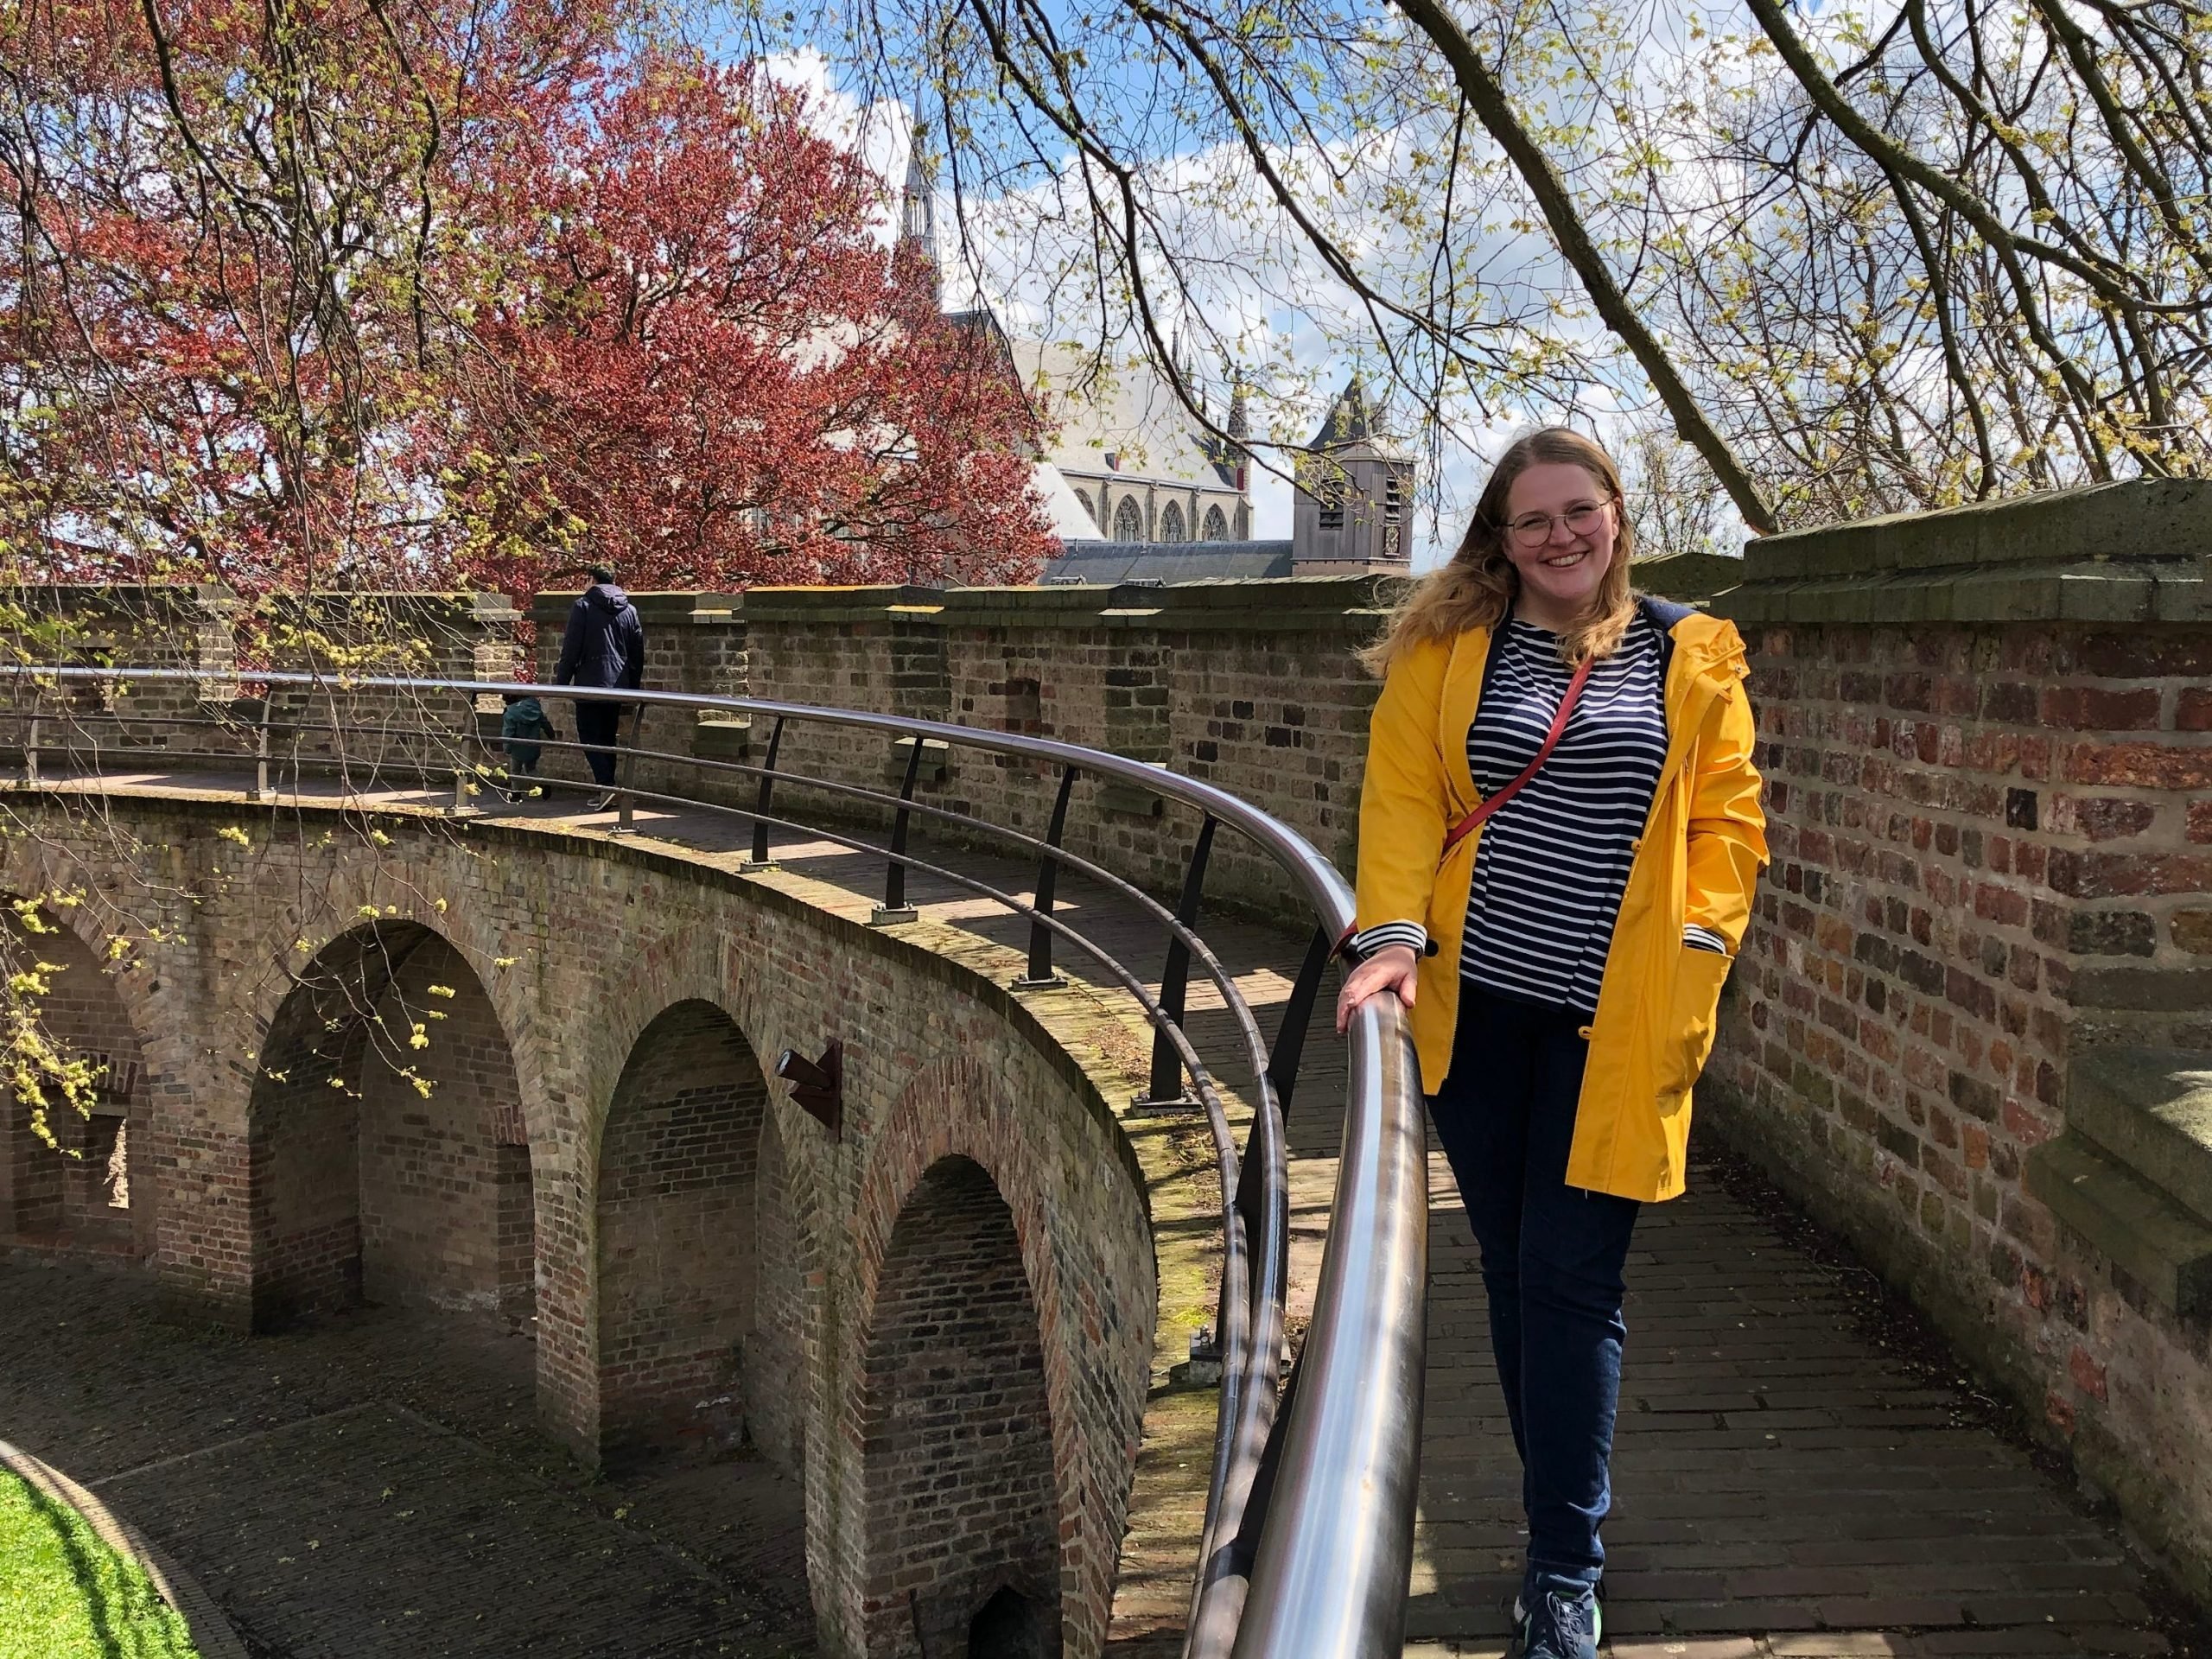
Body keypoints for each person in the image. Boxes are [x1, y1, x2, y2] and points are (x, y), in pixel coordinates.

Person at [1333, 427, 1766, 1659]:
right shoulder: (1450, 647)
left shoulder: (1691, 655)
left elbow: (1729, 826)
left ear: (1618, 516)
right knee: (1515, 1273)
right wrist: (1395, 936)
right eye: (1535, 521)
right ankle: (1552, 1519)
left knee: (1575, 1286)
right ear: (1501, 539)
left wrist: (1699, 946)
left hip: (1613, 1027)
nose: (1561, 536)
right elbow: (1406, 795)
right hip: (1481, 1014)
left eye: (1581, 511)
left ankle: (1566, 1564)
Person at [553, 563, 645, 810]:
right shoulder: (629, 610)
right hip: (618, 685)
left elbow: (571, 649)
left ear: (592, 580)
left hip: (590, 683)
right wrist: (632, 686)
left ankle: (607, 785)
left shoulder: (582, 607)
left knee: (589, 736)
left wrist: (561, 683)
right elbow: (637, 652)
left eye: (586, 580)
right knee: (607, 738)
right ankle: (607, 789)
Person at [499, 692, 557, 803]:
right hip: (533, 745)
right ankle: (543, 783)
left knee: (515, 771)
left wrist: (506, 748)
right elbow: (545, 723)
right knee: (531, 769)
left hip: (518, 746)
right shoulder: (535, 709)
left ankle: (516, 793)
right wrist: (551, 735)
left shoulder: (510, 713)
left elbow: (508, 732)